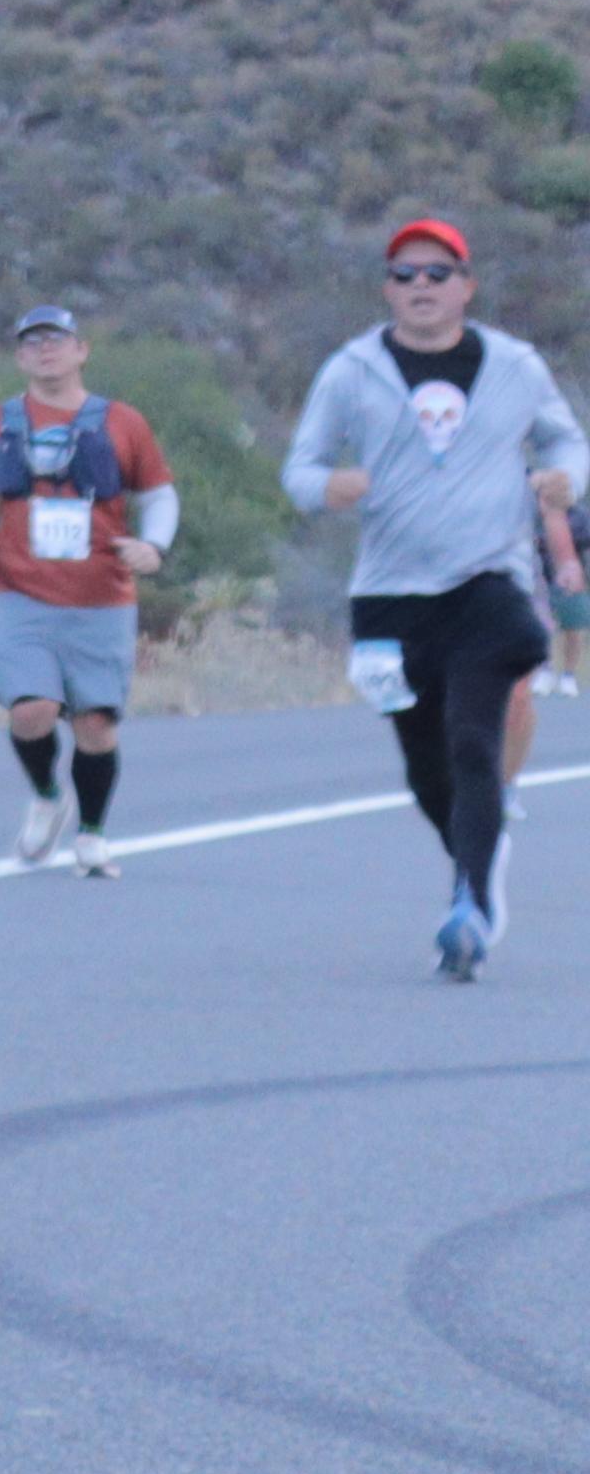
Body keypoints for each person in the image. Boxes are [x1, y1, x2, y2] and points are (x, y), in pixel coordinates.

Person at [279, 218, 590, 981]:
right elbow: (300, 469)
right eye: (405, 274)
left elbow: (566, 441)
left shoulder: (513, 365)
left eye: (438, 273)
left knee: (472, 740)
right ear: (387, 290)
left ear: (467, 286)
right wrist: (329, 486)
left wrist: (566, 479)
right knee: (425, 768)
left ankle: (471, 906)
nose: (421, 286)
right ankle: (476, 863)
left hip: (488, 582)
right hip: (389, 595)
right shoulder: (352, 370)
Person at [0, 305, 175, 878]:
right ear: (19, 356)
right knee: (32, 709)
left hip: (102, 598)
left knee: (95, 725)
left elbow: (159, 493)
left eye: (56, 339)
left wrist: (154, 545)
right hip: (22, 593)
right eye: (32, 341)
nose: (45, 349)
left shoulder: (124, 422)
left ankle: (91, 835)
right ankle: (47, 795)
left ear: (81, 350)